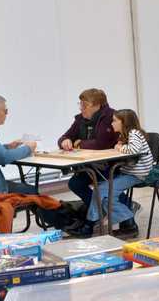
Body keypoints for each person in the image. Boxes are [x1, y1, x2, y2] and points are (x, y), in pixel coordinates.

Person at [70, 109, 154, 239]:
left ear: (124, 122)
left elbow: (134, 150)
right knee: (102, 192)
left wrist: (119, 147)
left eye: (115, 121)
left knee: (102, 191)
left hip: (136, 175)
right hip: (128, 172)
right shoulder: (125, 135)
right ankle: (126, 224)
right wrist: (120, 145)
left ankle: (91, 225)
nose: (111, 123)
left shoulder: (134, 133)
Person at [60, 89, 122, 216]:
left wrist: (78, 143)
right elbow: (65, 136)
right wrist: (65, 141)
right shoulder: (81, 119)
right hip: (92, 165)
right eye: (80, 104)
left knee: (106, 185)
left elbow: (101, 144)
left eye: (85, 105)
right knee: (75, 183)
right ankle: (100, 210)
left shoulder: (110, 117)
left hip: (110, 165)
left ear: (97, 105)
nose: (81, 108)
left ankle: (125, 211)